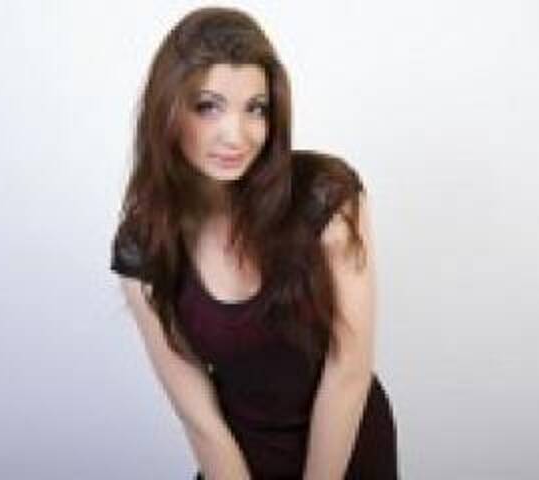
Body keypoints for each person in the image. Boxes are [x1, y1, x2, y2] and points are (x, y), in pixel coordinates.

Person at [110, 6, 400, 479]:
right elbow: (199, 416)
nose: (237, 135)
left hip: (345, 449)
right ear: (168, 109)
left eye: (256, 108)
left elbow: (348, 370)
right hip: (236, 460)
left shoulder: (326, 195)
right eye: (208, 106)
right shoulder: (143, 246)